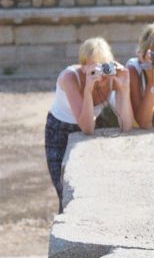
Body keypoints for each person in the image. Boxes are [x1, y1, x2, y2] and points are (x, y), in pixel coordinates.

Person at [45, 37, 133, 214]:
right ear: (83, 65)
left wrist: (124, 88)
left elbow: (127, 125)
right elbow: (86, 126)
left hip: (93, 124)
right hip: (60, 130)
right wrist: (87, 89)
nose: (99, 72)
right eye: (94, 66)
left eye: (104, 65)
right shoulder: (70, 78)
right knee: (65, 191)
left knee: (95, 189)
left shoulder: (111, 79)